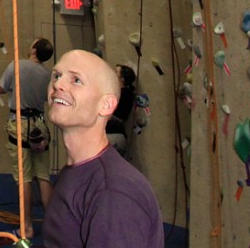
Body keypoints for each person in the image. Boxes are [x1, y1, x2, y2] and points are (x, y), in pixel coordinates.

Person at [42, 51, 163, 248]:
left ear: (106, 105)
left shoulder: (113, 193)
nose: (58, 84)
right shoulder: (77, 171)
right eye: (56, 75)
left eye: (76, 80)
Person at [0, 37, 55, 231]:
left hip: (20, 125)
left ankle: (27, 226)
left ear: (33, 51)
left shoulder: (16, 65)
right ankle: (55, 227)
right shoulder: (48, 75)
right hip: (40, 125)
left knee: (25, 177)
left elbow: (0, 89)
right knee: (43, 176)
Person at [105, 64, 138, 158]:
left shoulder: (124, 94)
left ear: (122, 79)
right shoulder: (121, 93)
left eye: (115, 72)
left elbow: (114, 116)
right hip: (111, 135)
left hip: (112, 135)